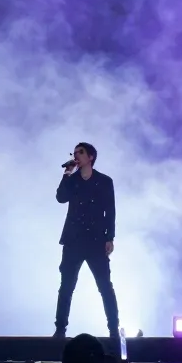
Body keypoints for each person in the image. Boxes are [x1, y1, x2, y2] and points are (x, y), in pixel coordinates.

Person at [54, 141, 120, 339]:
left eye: (80, 152)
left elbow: (110, 210)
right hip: (73, 241)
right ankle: (60, 329)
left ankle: (113, 329)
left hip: (95, 241)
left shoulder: (104, 181)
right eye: (74, 153)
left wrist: (109, 237)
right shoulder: (72, 180)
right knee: (66, 286)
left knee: (104, 286)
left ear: (90, 157)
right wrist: (67, 174)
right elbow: (60, 198)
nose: (76, 156)